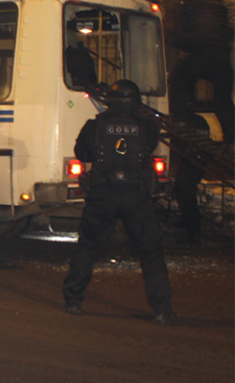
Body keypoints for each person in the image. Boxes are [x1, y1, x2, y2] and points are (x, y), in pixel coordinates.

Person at [63, 79, 176, 325]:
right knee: (151, 253)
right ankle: (162, 310)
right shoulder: (147, 126)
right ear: (135, 102)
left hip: (103, 195)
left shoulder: (95, 125)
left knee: (88, 248)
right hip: (136, 196)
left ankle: (73, 302)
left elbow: (82, 153)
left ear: (109, 101)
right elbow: (149, 146)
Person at [168, 0, 234, 144]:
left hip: (204, 51)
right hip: (223, 56)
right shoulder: (219, 10)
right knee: (223, 100)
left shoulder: (188, 9)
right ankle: (232, 138)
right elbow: (228, 32)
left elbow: (183, 38)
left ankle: (182, 116)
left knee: (180, 78)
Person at [173, 114, 211, 245]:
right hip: (195, 162)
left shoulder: (190, 122)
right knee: (181, 189)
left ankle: (193, 233)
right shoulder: (199, 121)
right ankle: (188, 223)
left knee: (187, 195)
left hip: (192, 163)